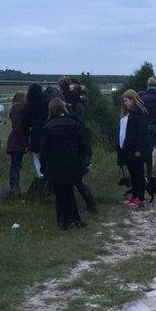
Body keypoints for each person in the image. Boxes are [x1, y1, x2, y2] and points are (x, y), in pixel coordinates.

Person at [39, 98, 91, 229]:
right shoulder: (74, 123)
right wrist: (84, 160)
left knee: (60, 193)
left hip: (55, 164)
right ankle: (75, 219)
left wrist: (43, 166)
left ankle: (63, 220)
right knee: (69, 191)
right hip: (73, 162)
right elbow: (83, 144)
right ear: (64, 108)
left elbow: (44, 150)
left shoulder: (48, 126)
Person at [117, 89, 150, 208]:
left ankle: (140, 198)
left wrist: (138, 150)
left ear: (132, 99)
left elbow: (142, 134)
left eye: (126, 101)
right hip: (129, 148)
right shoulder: (131, 113)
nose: (125, 103)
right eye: (124, 101)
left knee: (139, 175)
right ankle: (134, 196)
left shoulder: (140, 113)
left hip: (136, 150)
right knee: (133, 174)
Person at [23, 84, 48, 180]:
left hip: (35, 133)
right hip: (46, 131)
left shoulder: (28, 106)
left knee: (36, 156)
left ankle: (41, 176)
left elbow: (25, 122)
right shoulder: (45, 103)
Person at [5, 92, 28, 195]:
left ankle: (14, 187)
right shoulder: (18, 108)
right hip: (17, 141)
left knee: (16, 165)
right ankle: (14, 187)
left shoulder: (15, 108)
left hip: (16, 140)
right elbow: (19, 126)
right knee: (15, 166)